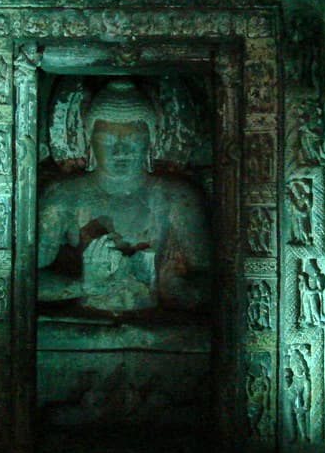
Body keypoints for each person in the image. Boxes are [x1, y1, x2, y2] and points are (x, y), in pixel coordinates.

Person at [37, 78, 210, 315]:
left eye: (132, 139)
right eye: (107, 139)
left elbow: (215, 280)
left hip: (155, 327)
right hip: (85, 324)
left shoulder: (176, 197)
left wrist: (173, 287)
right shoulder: (64, 195)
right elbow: (25, 281)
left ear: (150, 140)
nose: (120, 151)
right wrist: (83, 286)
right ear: (90, 140)